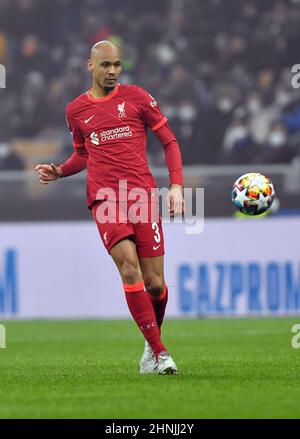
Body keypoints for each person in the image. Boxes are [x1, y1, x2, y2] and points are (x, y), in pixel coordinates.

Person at [35, 41, 184, 375]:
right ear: (91, 66)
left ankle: (150, 346)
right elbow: (83, 154)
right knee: (129, 269)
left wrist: (176, 185)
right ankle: (161, 354)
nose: (113, 71)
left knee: (155, 284)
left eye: (117, 64)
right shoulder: (76, 110)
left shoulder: (138, 98)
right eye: (106, 65)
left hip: (143, 197)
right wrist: (60, 170)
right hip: (106, 198)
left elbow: (170, 142)